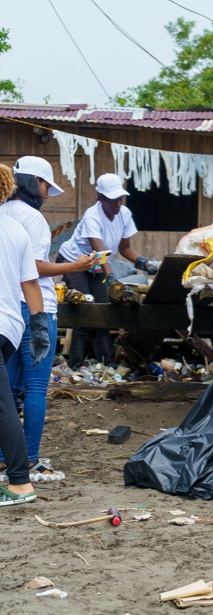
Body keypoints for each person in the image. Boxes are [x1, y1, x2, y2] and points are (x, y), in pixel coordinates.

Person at [2, 157, 96, 483]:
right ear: (34, 181)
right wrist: (74, 267)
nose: (46, 193)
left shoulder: (2, 214)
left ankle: (4, 458)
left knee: (9, 390)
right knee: (36, 389)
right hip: (35, 307)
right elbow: (36, 268)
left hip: (8, 313)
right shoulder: (33, 218)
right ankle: (28, 459)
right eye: (45, 185)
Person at [58, 174, 159, 368]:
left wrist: (143, 262)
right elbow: (100, 251)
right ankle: (76, 364)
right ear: (101, 198)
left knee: (103, 310)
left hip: (96, 264)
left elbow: (125, 249)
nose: (117, 204)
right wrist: (110, 277)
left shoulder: (125, 214)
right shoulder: (92, 216)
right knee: (84, 306)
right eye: (112, 200)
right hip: (75, 261)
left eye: (119, 199)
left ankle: (105, 363)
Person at [0, 163, 49, 506]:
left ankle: (19, 483)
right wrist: (39, 326)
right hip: (9, 328)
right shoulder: (15, 229)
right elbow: (30, 283)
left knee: (4, 403)